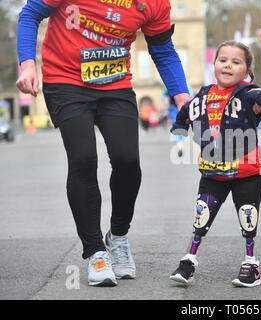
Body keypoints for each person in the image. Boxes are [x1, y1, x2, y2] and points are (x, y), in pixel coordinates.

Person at [16, 0, 191, 287]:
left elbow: (162, 49)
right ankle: (96, 251)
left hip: (115, 84)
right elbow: (31, 12)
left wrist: (181, 94)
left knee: (127, 161)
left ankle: (118, 236)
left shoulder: (156, 4)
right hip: (66, 81)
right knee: (83, 159)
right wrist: (27, 65)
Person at [169, 41, 261, 287]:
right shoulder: (203, 94)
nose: (228, 65)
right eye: (222, 60)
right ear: (214, 64)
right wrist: (179, 125)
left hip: (247, 172)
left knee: (248, 217)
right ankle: (189, 260)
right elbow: (186, 110)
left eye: (236, 62)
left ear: (246, 71)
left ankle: (251, 264)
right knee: (201, 217)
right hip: (212, 172)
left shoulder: (248, 94)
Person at [162, 84, 193, 157]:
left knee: (176, 126)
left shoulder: (168, 85)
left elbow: (164, 97)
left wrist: (165, 110)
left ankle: (179, 145)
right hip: (183, 108)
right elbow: (191, 96)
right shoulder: (186, 85)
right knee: (181, 126)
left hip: (173, 107)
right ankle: (180, 144)